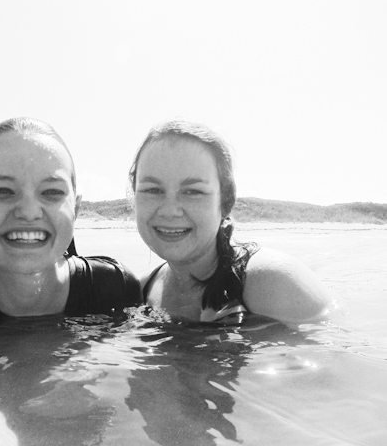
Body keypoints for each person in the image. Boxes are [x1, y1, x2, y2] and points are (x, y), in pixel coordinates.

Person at [0, 117, 140, 322]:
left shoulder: (117, 289)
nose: (29, 212)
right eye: (2, 190)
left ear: (75, 209)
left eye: (51, 192)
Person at [128, 119, 335, 325]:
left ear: (225, 201)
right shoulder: (141, 290)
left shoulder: (271, 282)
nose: (169, 210)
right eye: (152, 190)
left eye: (193, 192)